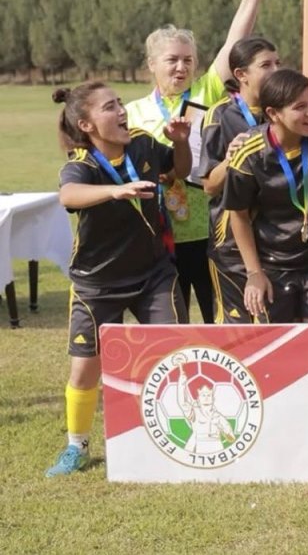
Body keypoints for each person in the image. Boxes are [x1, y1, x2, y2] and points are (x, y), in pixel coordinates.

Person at [126, 0, 284, 324]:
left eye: (188, 60)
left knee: (219, 317)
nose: (181, 67)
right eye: (172, 60)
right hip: (160, 231)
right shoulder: (133, 113)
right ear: (152, 64)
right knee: (173, 318)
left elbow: (234, 45)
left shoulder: (204, 93)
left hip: (208, 226)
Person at [46, 82, 191, 476]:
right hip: (97, 283)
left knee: (174, 353)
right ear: (86, 124)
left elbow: (179, 170)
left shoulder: (142, 143)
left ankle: (179, 433)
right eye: (110, 107)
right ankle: (77, 446)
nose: (122, 111)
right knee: (84, 369)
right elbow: (68, 195)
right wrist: (116, 190)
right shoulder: (82, 163)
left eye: (120, 103)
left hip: (154, 274)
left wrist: (180, 142)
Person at [223, 69, 308, 323]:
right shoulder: (248, 154)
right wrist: (254, 273)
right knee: (277, 342)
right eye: (300, 107)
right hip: (272, 265)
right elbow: (239, 216)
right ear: (273, 113)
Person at [199, 37, 280, 323]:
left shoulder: (283, 111)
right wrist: (232, 158)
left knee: (273, 328)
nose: (275, 70)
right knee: (235, 331)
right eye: (266, 65)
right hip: (230, 246)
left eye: (278, 63)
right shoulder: (220, 114)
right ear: (241, 75)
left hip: (276, 241)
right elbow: (209, 185)